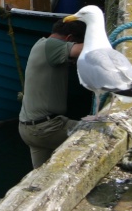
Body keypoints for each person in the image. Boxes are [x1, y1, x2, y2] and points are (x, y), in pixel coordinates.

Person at [18, 18, 86, 169]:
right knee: (94, 134)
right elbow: (82, 49)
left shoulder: (40, 43)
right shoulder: (52, 45)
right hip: (47, 128)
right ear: (69, 39)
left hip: (27, 129)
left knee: (39, 175)